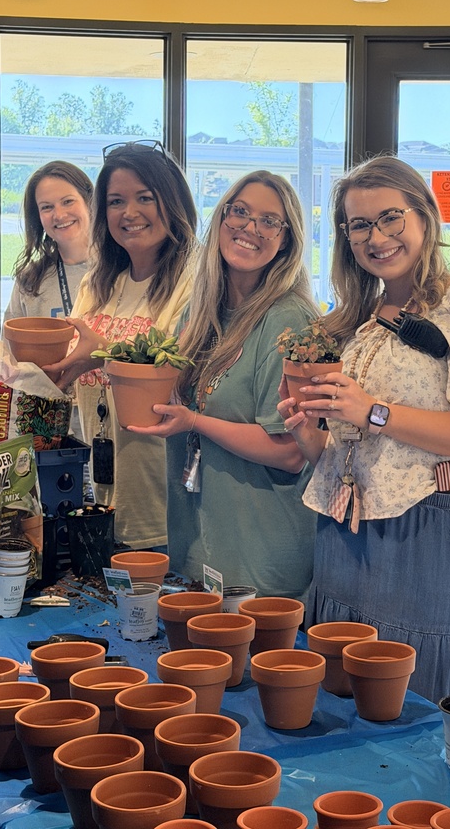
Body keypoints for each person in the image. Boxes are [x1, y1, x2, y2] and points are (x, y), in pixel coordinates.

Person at [278, 155, 450, 702]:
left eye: (391, 218)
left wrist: (373, 410)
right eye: (360, 225)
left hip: (426, 522)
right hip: (345, 527)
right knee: (345, 689)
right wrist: (309, 434)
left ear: (425, 217)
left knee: (413, 692)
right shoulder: (363, 317)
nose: (378, 237)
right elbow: (355, 444)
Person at [130, 170, 318, 600]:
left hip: (261, 556)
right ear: (221, 219)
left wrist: (194, 421)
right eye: (240, 212)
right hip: (199, 544)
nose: (250, 228)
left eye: (270, 221)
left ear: (287, 240)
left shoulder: (288, 321)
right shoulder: (199, 313)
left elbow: (289, 452)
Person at [43, 141, 197, 551]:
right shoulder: (100, 282)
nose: (129, 212)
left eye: (145, 197)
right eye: (115, 201)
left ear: (173, 201)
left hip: (166, 503)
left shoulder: (196, 281)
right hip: (102, 493)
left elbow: (185, 377)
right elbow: (77, 368)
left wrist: (105, 353)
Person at [3, 161, 93, 324]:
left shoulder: (122, 270)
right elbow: (9, 348)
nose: (59, 215)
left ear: (89, 202)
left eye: (68, 202)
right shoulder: (29, 281)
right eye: (47, 207)